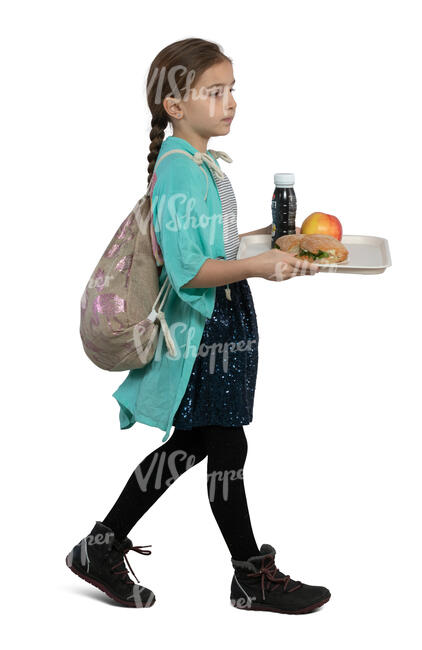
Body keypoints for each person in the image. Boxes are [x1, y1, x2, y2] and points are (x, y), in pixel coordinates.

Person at [65, 38, 331, 614]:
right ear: (174, 106)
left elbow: (210, 248)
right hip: (205, 326)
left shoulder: (196, 164)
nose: (230, 101)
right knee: (223, 441)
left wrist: (271, 241)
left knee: (195, 443)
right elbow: (190, 271)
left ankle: (102, 545)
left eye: (233, 89)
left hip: (220, 319)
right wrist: (259, 266)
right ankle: (250, 576)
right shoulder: (180, 173)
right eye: (215, 91)